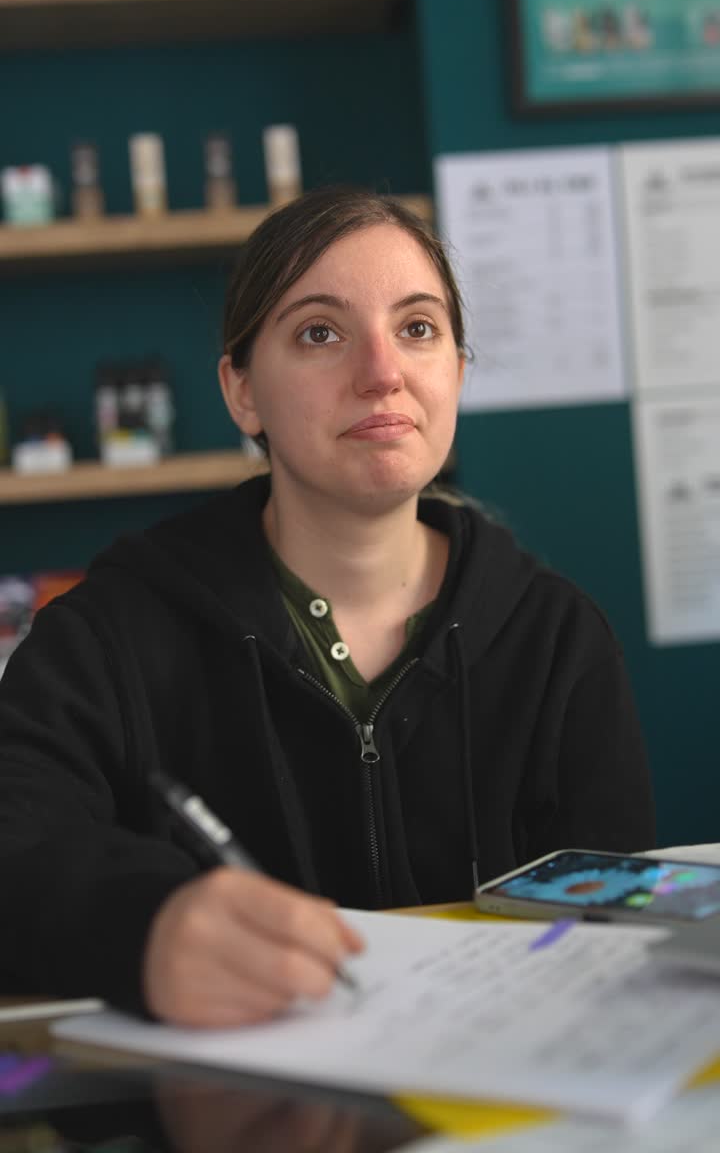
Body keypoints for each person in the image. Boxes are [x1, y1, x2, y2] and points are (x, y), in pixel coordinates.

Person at [0, 186, 655, 1028]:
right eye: (320, 333)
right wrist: (144, 925)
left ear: (456, 369)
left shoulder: (558, 639)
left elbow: (619, 937)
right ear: (241, 392)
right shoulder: (108, 637)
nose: (382, 373)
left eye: (417, 328)